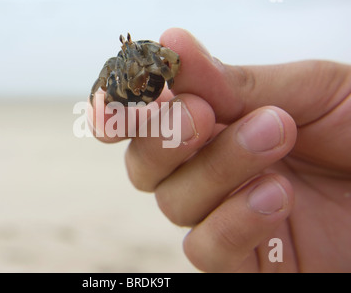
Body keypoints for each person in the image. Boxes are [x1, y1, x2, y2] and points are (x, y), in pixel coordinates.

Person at [90, 28, 351, 272]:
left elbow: (172, 59)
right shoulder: (119, 63)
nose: (128, 51)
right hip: (137, 95)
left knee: (187, 121)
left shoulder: (146, 52)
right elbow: (107, 78)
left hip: (155, 89)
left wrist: (176, 76)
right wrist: (102, 93)